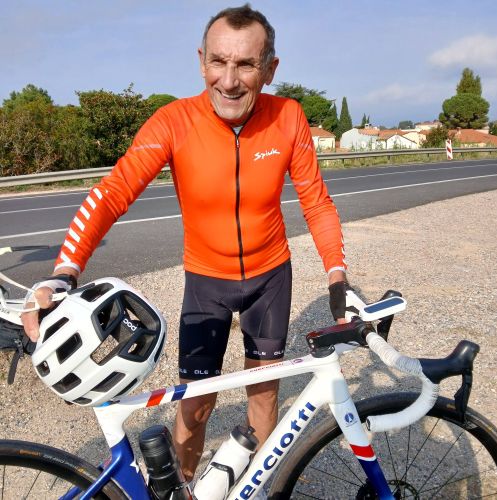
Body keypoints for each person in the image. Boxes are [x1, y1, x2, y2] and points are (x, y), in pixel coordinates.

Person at [22, 3, 348, 484]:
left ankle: (254, 489)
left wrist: (337, 277)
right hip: (206, 282)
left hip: (270, 279)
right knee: (195, 404)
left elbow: (316, 203)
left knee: (263, 397)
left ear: (270, 69)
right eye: (218, 61)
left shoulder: (289, 117)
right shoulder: (174, 121)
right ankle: (184, 491)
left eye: (246, 64)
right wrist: (64, 271)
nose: (229, 81)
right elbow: (112, 193)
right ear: (201, 61)